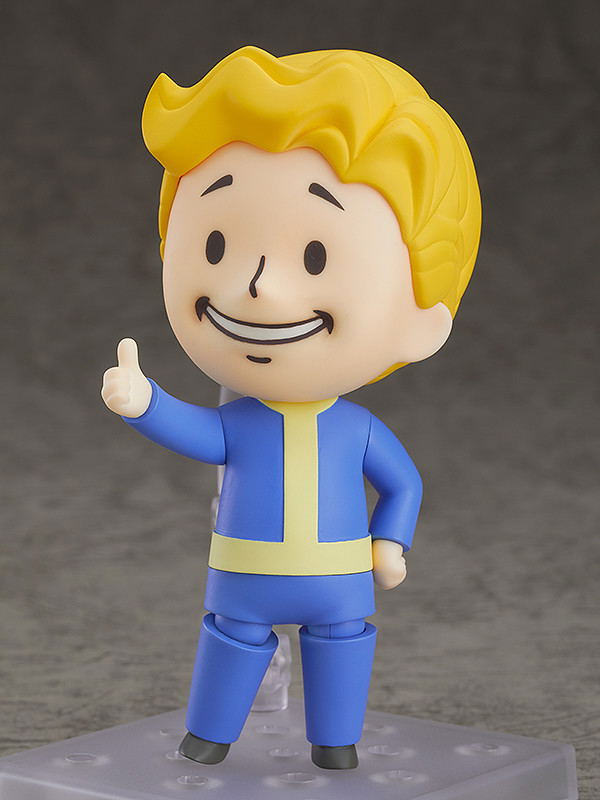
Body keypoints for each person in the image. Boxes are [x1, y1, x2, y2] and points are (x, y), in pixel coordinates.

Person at [101, 46, 481, 770]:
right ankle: (209, 737)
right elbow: (199, 431)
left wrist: (390, 542)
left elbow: (403, 483)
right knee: (232, 637)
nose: (256, 286)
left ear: (422, 320)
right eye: (215, 243)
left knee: (341, 645)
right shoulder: (240, 424)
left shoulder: (357, 429)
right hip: (244, 579)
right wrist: (144, 402)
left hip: (339, 582)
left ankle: (335, 744)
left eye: (314, 257)